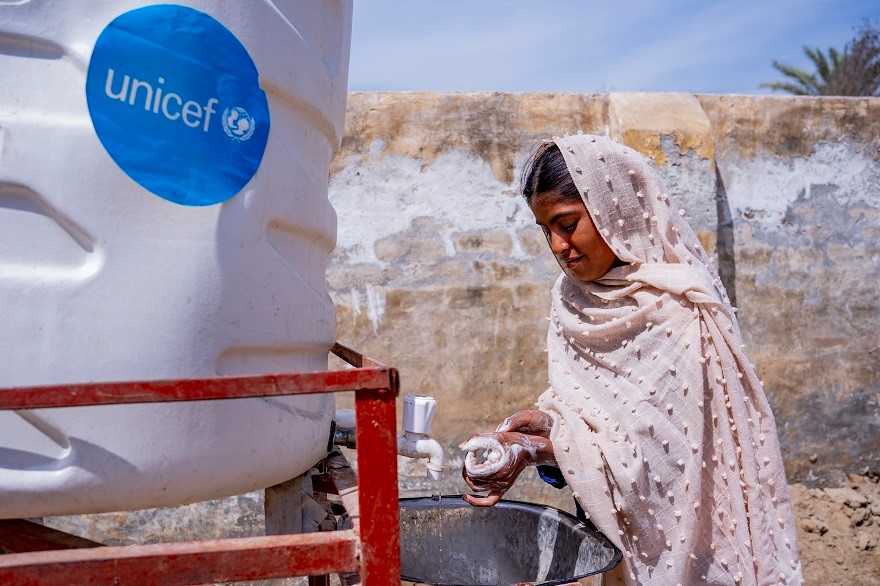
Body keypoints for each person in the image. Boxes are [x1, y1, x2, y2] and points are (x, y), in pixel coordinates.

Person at [460, 133, 803, 585]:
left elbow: (659, 458)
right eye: (547, 232)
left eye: (568, 224)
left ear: (613, 209)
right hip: (622, 545)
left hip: (692, 542)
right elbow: (597, 416)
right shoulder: (572, 302)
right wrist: (543, 424)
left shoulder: (678, 310)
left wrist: (535, 452)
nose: (560, 246)